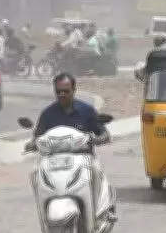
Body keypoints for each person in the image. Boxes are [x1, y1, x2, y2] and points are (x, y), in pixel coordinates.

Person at [29, 73, 113, 222]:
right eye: (58, 91)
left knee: (96, 170)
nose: (62, 95)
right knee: (35, 173)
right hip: (54, 160)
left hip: (83, 158)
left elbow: (103, 133)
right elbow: (38, 136)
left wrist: (98, 139)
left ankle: (99, 211)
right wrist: (32, 143)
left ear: (74, 90)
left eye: (66, 91)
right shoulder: (48, 114)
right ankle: (43, 216)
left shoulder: (86, 111)